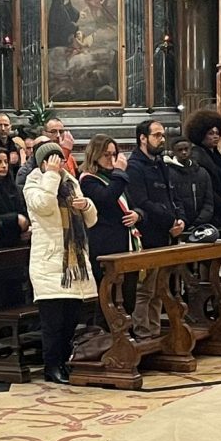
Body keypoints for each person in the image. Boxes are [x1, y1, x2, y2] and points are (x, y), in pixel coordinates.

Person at [24, 141, 97, 384]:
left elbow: (91, 220)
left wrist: (85, 205)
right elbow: (43, 206)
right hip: (49, 261)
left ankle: (65, 361)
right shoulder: (34, 183)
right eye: (52, 159)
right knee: (53, 323)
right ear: (43, 163)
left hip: (73, 262)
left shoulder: (70, 181)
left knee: (70, 320)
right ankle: (51, 366)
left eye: (60, 158)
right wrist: (52, 176)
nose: (58, 162)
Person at [124, 120, 184, 337]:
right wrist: (170, 221)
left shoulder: (160, 163)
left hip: (166, 233)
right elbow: (141, 202)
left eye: (162, 135)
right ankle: (143, 333)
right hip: (148, 234)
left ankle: (156, 332)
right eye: (157, 135)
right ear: (143, 138)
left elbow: (172, 195)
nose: (162, 139)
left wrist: (180, 219)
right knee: (145, 289)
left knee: (159, 288)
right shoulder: (135, 167)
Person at [80, 135, 141, 315]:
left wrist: (138, 215)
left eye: (114, 154)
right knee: (110, 297)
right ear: (95, 155)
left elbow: (133, 203)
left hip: (126, 242)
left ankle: (127, 333)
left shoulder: (116, 178)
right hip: (105, 244)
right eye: (107, 155)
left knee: (128, 295)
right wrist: (120, 174)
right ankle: (109, 336)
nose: (112, 159)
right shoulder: (88, 179)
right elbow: (106, 199)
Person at [185, 110, 221, 228]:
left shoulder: (217, 155)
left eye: (217, 133)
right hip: (210, 211)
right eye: (211, 133)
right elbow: (205, 187)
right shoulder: (196, 155)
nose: (215, 136)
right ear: (201, 134)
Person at [166, 138, 214, 231]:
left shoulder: (202, 172)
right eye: (180, 150)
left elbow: (209, 201)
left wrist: (199, 221)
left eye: (186, 149)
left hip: (201, 225)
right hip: (179, 224)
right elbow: (172, 201)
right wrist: (181, 220)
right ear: (173, 152)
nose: (184, 152)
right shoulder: (168, 173)